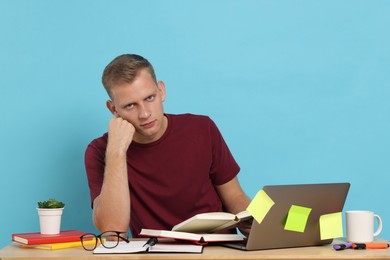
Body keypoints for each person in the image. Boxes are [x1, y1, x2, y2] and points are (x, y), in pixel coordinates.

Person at [84, 54, 251, 238]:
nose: (145, 114)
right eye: (130, 105)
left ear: (161, 91)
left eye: (149, 98)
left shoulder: (202, 128)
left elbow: (235, 197)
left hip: (218, 248)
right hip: (156, 253)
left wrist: (253, 222)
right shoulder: (100, 151)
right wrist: (116, 152)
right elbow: (112, 229)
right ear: (113, 109)